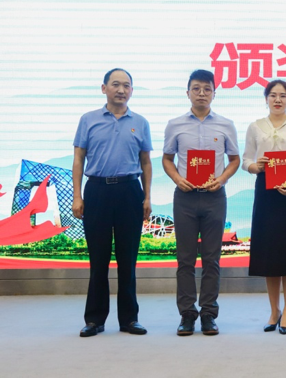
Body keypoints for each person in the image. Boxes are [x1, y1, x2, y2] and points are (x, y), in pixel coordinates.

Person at [72, 68, 152, 338]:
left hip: (130, 190)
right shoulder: (88, 120)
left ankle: (129, 319)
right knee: (99, 259)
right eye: (115, 84)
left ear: (132, 91)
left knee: (128, 259)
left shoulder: (140, 122)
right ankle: (94, 319)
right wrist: (77, 196)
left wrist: (147, 196)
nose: (121, 90)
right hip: (97, 190)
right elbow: (78, 159)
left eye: (126, 85)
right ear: (104, 88)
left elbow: (146, 162)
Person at [163, 69, 240, 336]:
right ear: (188, 93)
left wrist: (222, 179)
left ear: (214, 93)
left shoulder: (226, 125)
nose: (202, 93)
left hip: (214, 197)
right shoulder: (175, 124)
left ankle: (208, 314)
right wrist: (177, 179)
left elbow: (234, 160)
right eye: (196, 89)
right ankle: (187, 314)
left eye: (207, 89)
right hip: (184, 197)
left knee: (211, 259)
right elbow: (167, 159)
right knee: (185, 259)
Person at [242, 80, 286, 335]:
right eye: (273, 95)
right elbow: (246, 160)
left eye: (283, 95)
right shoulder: (255, 126)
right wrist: (255, 167)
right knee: (269, 253)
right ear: (266, 98)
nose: (278, 100)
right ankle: (274, 311)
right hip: (266, 190)